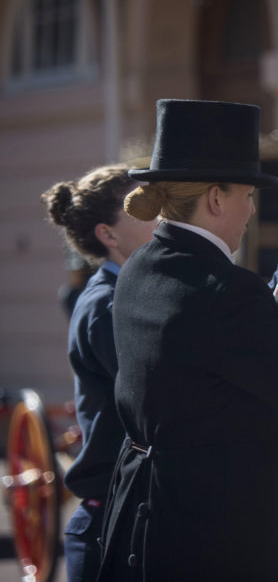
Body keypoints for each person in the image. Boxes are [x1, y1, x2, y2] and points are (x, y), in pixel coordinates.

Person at [95, 99, 278, 581]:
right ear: (216, 198)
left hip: (141, 518)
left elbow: (218, 352)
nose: (252, 210)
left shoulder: (141, 270)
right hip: (210, 535)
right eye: (248, 195)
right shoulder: (222, 294)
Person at [41, 165, 159, 582]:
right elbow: (158, 398)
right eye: (141, 206)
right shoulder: (105, 306)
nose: (159, 212)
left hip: (133, 520)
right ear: (107, 235)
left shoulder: (131, 294)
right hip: (111, 528)